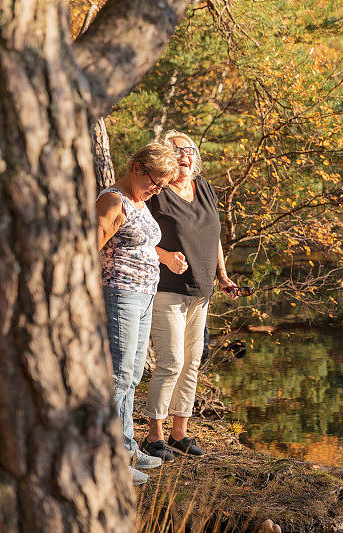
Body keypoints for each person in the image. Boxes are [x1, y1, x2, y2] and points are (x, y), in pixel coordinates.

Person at [141, 130, 237, 461]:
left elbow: (215, 236)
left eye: (191, 150)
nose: (186, 155)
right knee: (171, 363)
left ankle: (179, 434)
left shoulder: (205, 189)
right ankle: (153, 437)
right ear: (167, 157)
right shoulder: (156, 193)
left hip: (201, 291)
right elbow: (134, 235)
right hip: (167, 289)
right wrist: (165, 256)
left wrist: (222, 275)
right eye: (178, 150)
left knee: (192, 363)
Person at [96, 142, 180, 485]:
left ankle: (127, 446)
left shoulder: (139, 203)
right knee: (118, 374)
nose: (156, 189)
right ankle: (109, 459)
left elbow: (142, 244)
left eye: (162, 185)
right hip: (120, 294)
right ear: (137, 168)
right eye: (154, 181)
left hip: (144, 296)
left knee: (131, 376)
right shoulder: (113, 199)